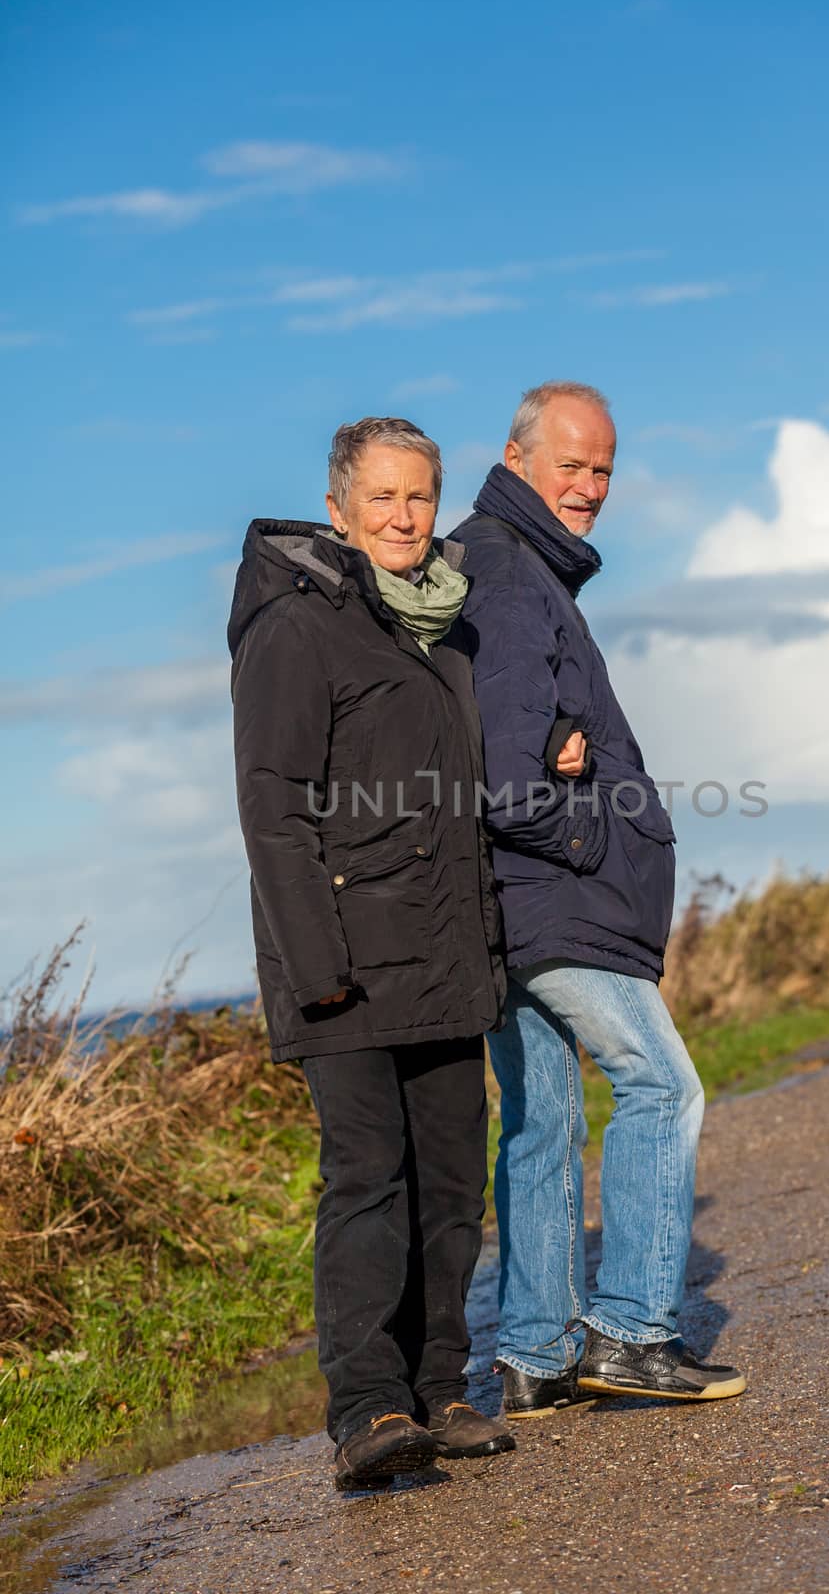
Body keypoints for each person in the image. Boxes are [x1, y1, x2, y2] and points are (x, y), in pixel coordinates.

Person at [450, 382, 747, 1417]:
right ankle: (629, 1331)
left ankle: (531, 1352)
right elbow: (507, 778)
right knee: (662, 1087)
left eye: (601, 469)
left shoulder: (503, 564)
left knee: (538, 1121)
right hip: (548, 895)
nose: (586, 486)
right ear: (516, 456)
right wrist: (588, 830)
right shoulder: (506, 574)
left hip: (505, 900)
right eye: (569, 464)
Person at [228, 417, 515, 1488]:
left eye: (420, 499)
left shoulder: (438, 630)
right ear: (339, 507)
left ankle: (441, 1387)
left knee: (448, 1187)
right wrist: (317, 968)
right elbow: (273, 807)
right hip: (342, 970)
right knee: (366, 1184)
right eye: (383, 499)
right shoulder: (294, 629)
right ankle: (365, 1410)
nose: (403, 519)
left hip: (440, 959)